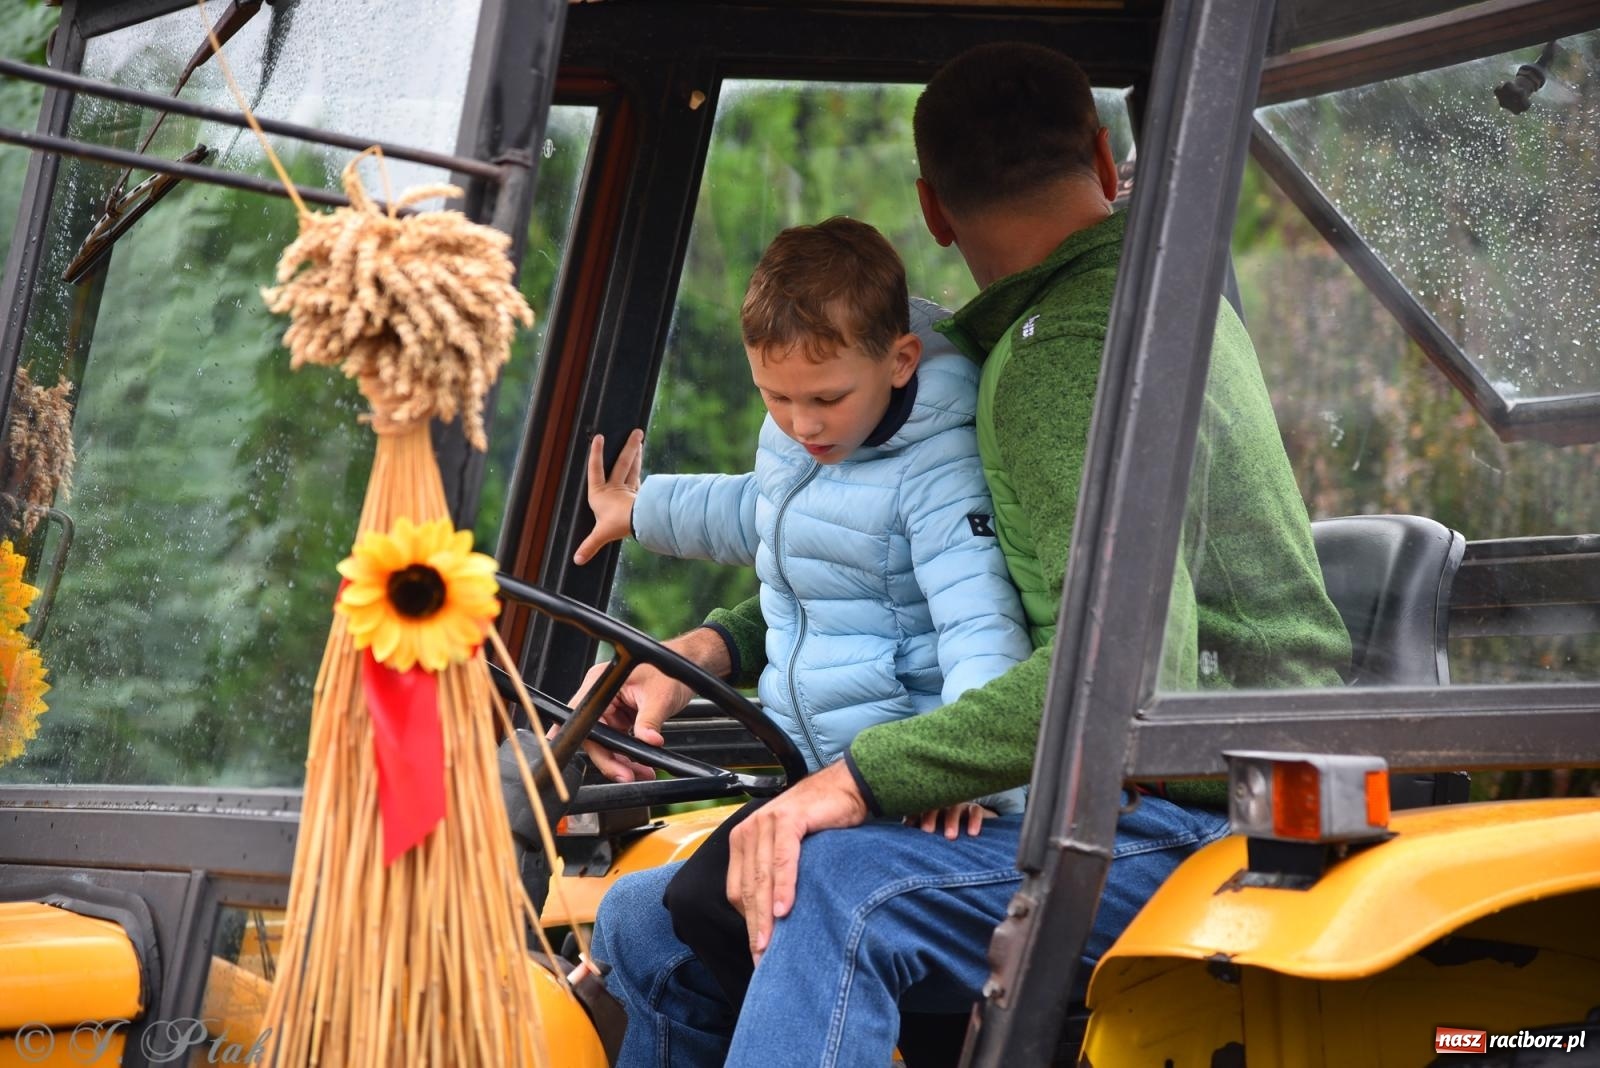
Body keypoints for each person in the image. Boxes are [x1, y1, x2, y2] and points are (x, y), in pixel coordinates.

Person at [584, 43, 1352, 1068]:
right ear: (1103, 160)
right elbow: (902, 560)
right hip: (1106, 789)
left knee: (821, 886)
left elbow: (1125, 682)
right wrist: (711, 650)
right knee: (647, 918)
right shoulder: (1094, 327)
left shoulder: (1068, 360)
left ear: (932, 211)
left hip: (1193, 813)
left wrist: (859, 780)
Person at [574, 216, 1034, 1002]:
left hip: (910, 782)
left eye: (824, 398)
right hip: (821, 768)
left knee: (702, 905)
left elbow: (978, 625)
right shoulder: (804, 444)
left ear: (900, 361)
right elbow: (760, 512)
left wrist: (965, 768)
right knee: (648, 917)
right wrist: (642, 509)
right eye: (776, 396)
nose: (802, 422)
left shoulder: (938, 472)